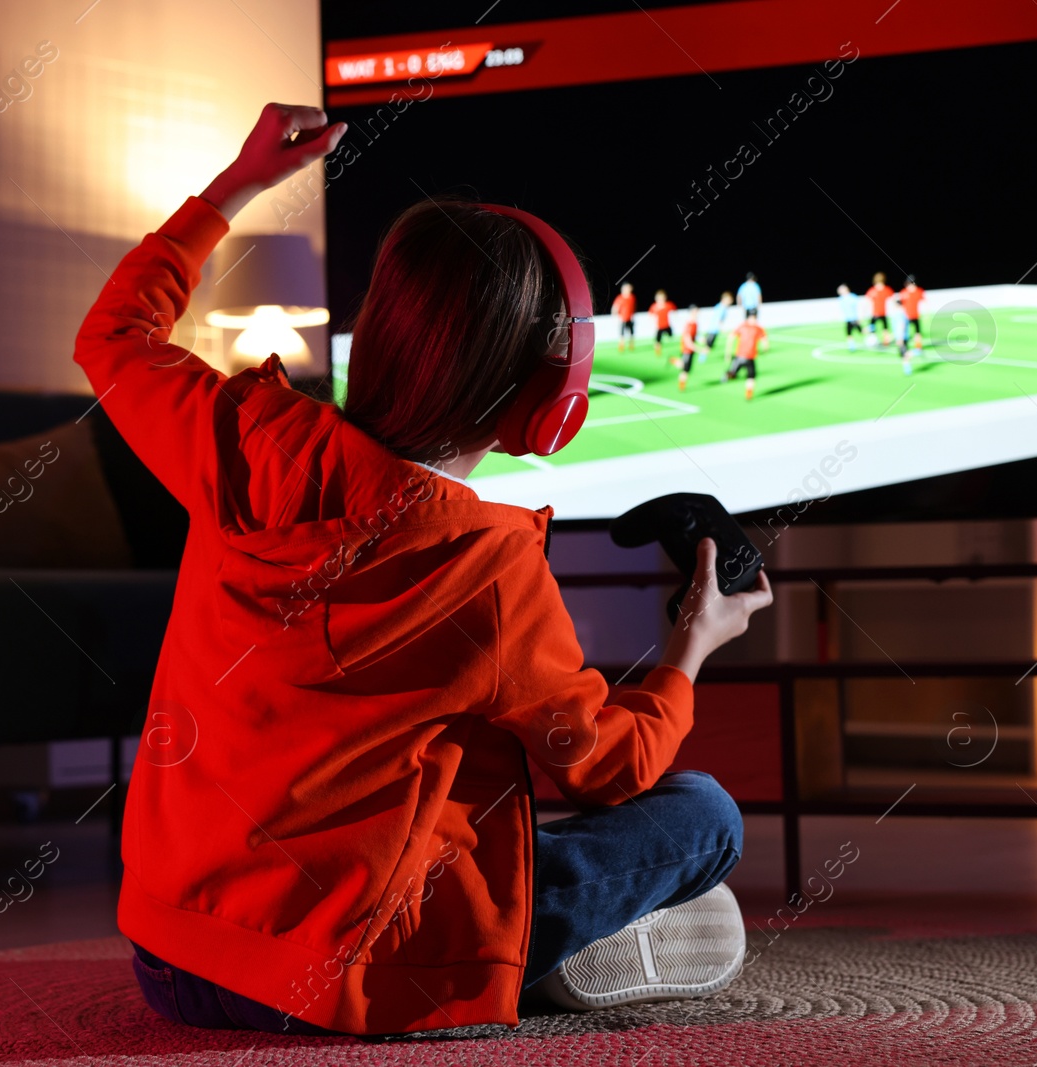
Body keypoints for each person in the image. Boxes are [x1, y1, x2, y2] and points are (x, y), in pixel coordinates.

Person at [80, 102, 771, 1038]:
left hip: (171, 956)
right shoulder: (486, 563)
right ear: (547, 403)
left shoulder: (240, 440)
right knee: (705, 814)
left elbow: (114, 335)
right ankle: (516, 958)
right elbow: (609, 768)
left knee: (470, 803)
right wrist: (690, 649)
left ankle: (539, 934)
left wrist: (239, 183)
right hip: (335, 980)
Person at [724, 312, 769, 400]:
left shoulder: (754, 328)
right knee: (733, 374)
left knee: (751, 376)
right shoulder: (749, 327)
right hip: (740, 356)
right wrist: (728, 353)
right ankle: (727, 375)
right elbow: (765, 341)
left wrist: (765, 349)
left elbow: (764, 341)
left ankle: (749, 394)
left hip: (750, 357)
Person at [897, 275, 925, 373]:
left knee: (916, 335)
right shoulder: (904, 294)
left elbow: (924, 302)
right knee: (903, 348)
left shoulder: (918, 291)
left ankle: (916, 349)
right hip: (905, 323)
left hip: (914, 317)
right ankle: (908, 363)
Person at [702, 291, 735, 361]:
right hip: (713, 330)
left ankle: (702, 358)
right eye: (729, 300)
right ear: (724, 299)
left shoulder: (720, 306)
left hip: (713, 329)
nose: (730, 302)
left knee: (708, 345)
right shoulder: (722, 308)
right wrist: (722, 330)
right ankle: (701, 359)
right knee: (708, 346)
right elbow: (718, 320)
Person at [866, 271, 894, 347]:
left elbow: (892, 300)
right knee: (873, 327)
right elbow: (867, 301)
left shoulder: (886, 289)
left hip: (881, 313)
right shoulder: (872, 290)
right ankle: (874, 340)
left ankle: (885, 340)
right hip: (875, 313)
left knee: (884, 327)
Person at [678, 303, 701, 389]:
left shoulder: (695, 323)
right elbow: (688, 342)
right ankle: (681, 387)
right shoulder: (689, 325)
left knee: (686, 368)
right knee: (685, 370)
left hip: (690, 350)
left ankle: (676, 361)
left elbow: (694, 336)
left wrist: (701, 339)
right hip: (686, 351)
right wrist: (699, 350)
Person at [650, 288, 676, 359]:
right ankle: (657, 351)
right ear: (656, 298)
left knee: (671, 336)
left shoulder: (668, 305)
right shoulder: (654, 307)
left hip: (667, 325)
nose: (661, 300)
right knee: (658, 340)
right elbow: (651, 315)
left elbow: (674, 312)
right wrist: (653, 322)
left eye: (662, 298)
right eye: (659, 298)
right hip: (659, 327)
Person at [612, 281, 637, 350]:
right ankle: (621, 345)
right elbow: (615, 307)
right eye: (626, 288)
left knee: (631, 332)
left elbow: (633, 307)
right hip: (622, 319)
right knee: (622, 333)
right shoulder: (620, 298)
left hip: (630, 318)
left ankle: (631, 345)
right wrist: (615, 314)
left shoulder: (632, 297)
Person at [837, 283, 861, 352]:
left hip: (854, 318)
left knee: (861, 331)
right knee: (848, 333)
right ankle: (851, 346)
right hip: (848, 319)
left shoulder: (853, 297)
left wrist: (859, 317)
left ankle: (871, 331)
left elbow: (858, 308)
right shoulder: (841, 299)